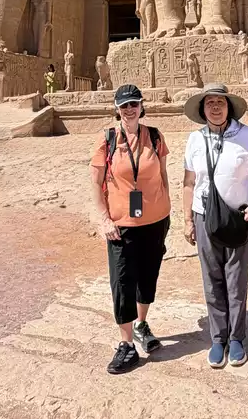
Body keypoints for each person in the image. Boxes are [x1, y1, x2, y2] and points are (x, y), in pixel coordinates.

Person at [182, 82, 248, 368]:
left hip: (241, 217)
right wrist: (187, 220)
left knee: (236, 280)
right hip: (204, 216)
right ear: (202, 108)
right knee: (212, 280)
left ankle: (236, 338)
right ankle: (217, 338)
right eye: (210, 103)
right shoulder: (195, 139)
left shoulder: (246, 136)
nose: (216, 107)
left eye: (221, 102)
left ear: (229, 107)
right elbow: (189, 183)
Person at [90, 83, 171, 374]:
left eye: (133, 104)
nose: (129, 109)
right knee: (122, 281)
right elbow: (96, 184)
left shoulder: (156, 137)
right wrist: (103, 219)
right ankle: (126, 344)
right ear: (116, 109)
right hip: (121, 223)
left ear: (141, 106)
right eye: (124, 105)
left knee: (148, 276)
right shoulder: (108, 139)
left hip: (155, 219)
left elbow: (163, 176)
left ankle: (141, 325)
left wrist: (167, 210)